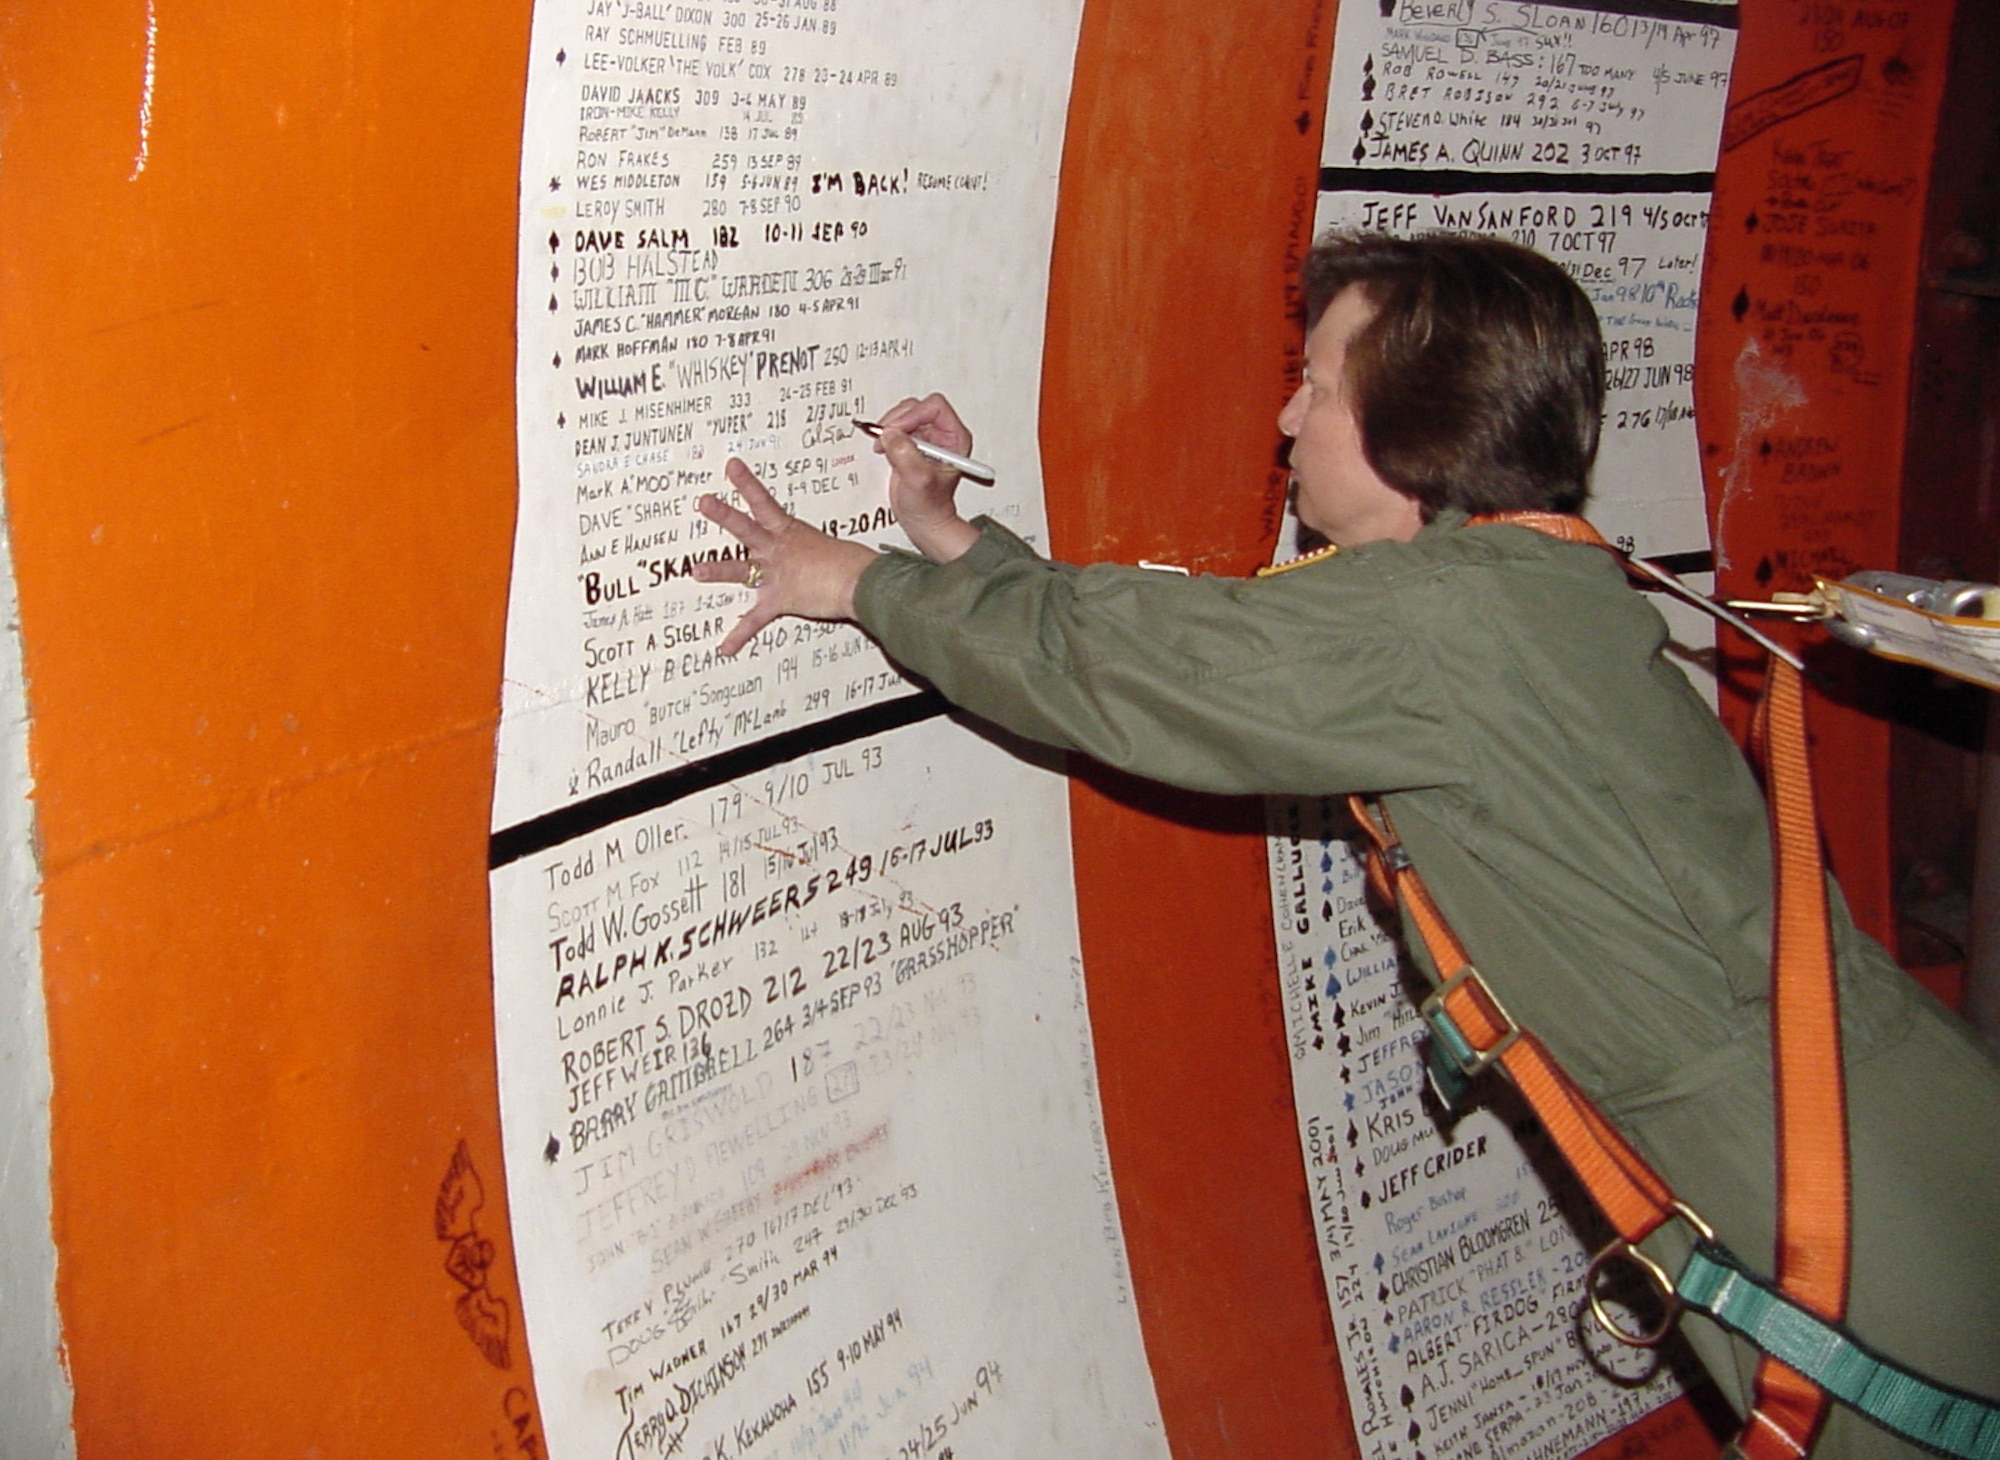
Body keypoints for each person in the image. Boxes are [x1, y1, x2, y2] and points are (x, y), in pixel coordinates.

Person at [692, 232, 2000, 1457]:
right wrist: (953, 538)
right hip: (1896, 1139)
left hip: (1844, 1206)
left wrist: (857, 580)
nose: (1285, 419)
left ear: (1410, 441)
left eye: (1314, 385)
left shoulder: (1442, 625)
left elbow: (1110, 665)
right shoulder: (1516, 587)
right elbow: (1182, 651)